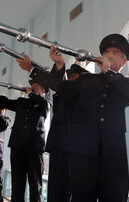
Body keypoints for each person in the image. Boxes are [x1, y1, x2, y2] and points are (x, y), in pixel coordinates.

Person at [56, 34, 129, 201]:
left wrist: (109, 72)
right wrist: (59, 65)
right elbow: (62, 90)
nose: (110, 55)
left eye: (116, 52)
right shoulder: (85, 80)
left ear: (123, 62)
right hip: (83, 155)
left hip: (115, 158)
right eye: (107, 51)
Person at [16, 50, 88, 202]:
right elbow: (57, 83)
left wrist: (33, 69)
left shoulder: (84, 93)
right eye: (70, 76)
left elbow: (58, 84)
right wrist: (32, 69)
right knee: (55, 193)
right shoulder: (65, 90)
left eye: (75, 76)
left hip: (76, 149)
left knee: (75, 192)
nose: (71, 79)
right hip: (58, 146)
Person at [0, 76, 49, 202]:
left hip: (34, 149)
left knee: (35, 184)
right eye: (33, 85)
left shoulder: (44, 104)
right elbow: (2, 102)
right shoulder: (22, 101)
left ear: (43, 91)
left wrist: (32, 93)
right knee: (17, 184)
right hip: (18, 147)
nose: (33, 86)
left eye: (36, 86)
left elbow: (43, 105)